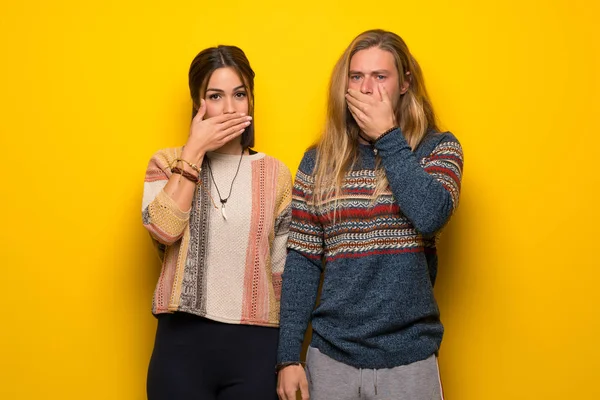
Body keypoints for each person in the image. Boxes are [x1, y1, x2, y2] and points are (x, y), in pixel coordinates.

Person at [276, 29, 463, 400]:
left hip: (410, 360)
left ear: (405, 83)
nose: (366, 88)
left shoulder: (439, 149)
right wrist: (287, 358)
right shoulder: (318, 162)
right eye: (357, 76)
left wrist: (387, 136)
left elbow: (431, 214)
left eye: (380, 76)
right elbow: (303, 262)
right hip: (330, 360)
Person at [142, 45, 292, 400]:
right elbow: (164, 229)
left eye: (239, 95)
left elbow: (282, 274)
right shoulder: (166, 164)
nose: (229, 108)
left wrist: (287, 357)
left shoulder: (276, 174)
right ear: (198, 103)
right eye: (215, 96)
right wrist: (193, 152)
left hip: (255, 346)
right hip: (181, 345)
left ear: (251, 101)